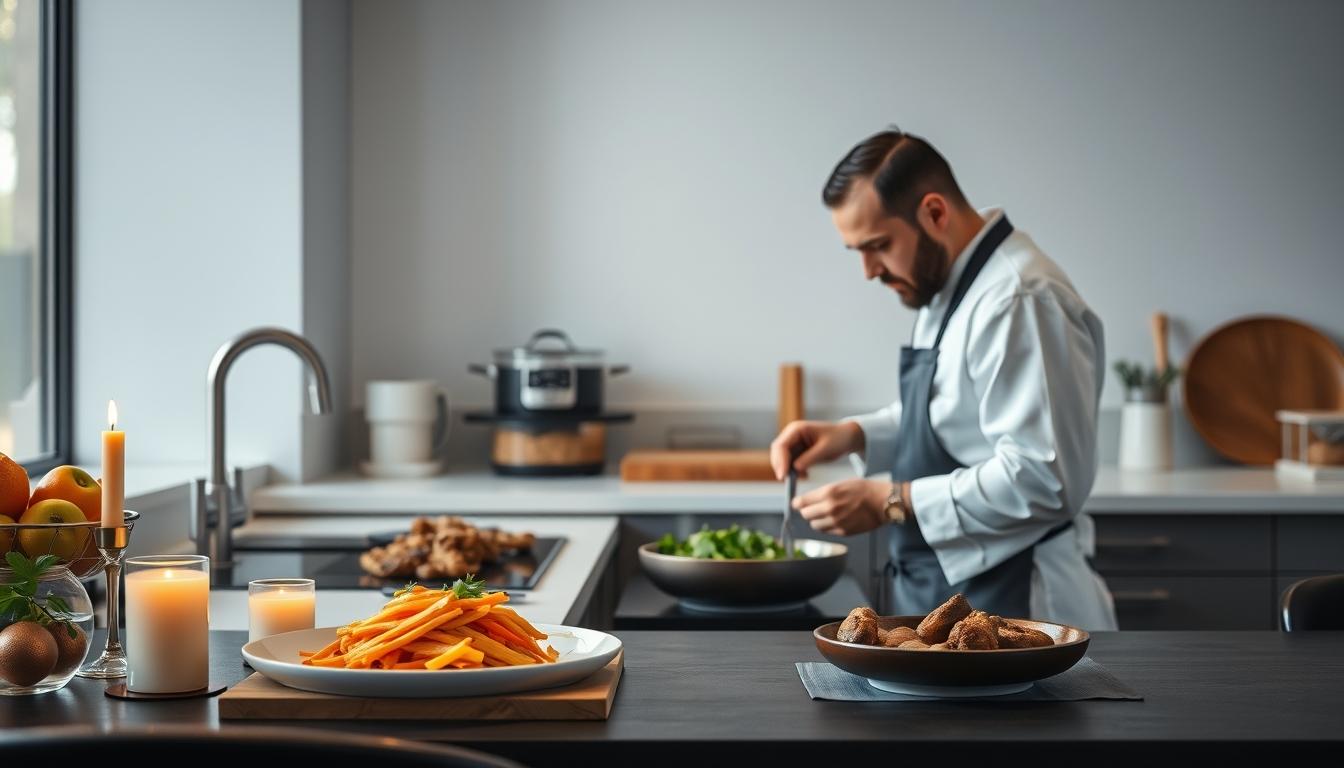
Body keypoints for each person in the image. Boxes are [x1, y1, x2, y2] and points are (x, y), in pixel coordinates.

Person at [770, 129, 1117, 629]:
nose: (869, 270)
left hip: (1021, 600)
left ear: (934, 212)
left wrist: (891, 501)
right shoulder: (953, 285)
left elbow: (1043, 479)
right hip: (962, 592)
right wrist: (852, 435)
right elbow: (952, 413)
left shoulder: (1019, 298)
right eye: (857, 251)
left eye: (878, 246)